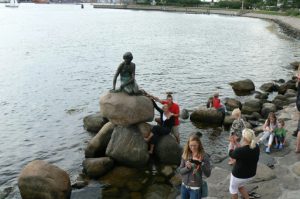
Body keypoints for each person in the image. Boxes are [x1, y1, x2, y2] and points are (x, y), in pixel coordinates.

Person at [229, 128, 260, 199]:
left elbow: (231, 154)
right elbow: (242, 150)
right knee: (240, 186)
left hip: (238, 176)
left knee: (233, 190)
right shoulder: (256, 146)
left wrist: (231, 143)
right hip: (251, 174)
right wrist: (236, 143)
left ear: (244, 138)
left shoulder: (240, 151)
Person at [180, 134, 211, 199]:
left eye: (195, 146)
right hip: (184, 186)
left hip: (195, 188)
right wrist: (187, 168)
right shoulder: (186, 154)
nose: (193, 148)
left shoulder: (204, 156)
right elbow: (181, 171)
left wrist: (201, 163)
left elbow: (208, 174)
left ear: (199, 144)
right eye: (191, 145)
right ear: (188, 145)